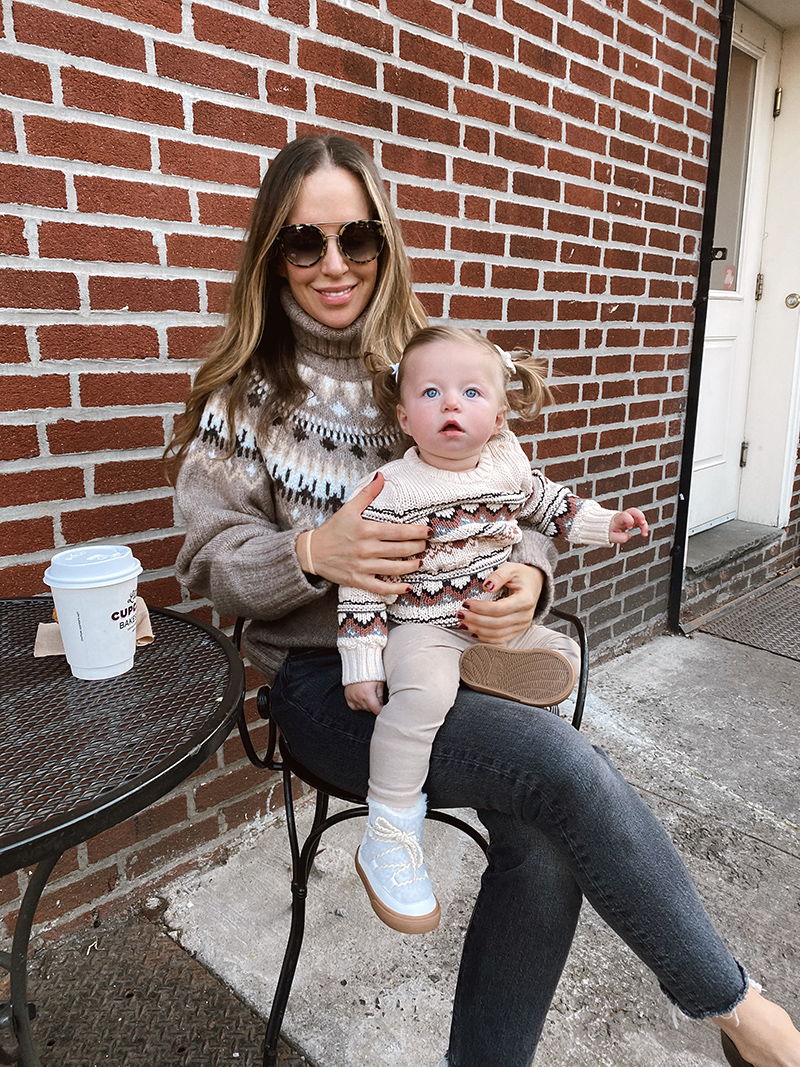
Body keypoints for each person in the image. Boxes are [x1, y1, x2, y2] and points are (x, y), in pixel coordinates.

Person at [168, 133, 800, 1067]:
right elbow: (206, 560)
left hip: (462, 652)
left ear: (388, 243)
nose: (334, 265)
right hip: (334, 682)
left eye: (359, 238)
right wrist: (314, 551)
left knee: (543, 838)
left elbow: (516, 494)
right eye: (306, 242)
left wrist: (531, 575)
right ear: (271, 250)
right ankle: (738, 1009)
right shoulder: (243, 399)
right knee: (559, 766)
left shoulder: (427, 363)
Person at [337, 325, 648, 935]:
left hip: (488, 620)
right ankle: (390, 828)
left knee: (561, 651)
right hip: (423, 628)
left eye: (471, 393)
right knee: (420, 698)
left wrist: (602, 523)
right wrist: (362, 660)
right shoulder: (391, 489)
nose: (451, 405)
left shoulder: (507, 462)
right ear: (403, 417)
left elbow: (545, 503)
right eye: (430, 394)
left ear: (501, 413)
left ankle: (495, 679)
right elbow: (361, 579)